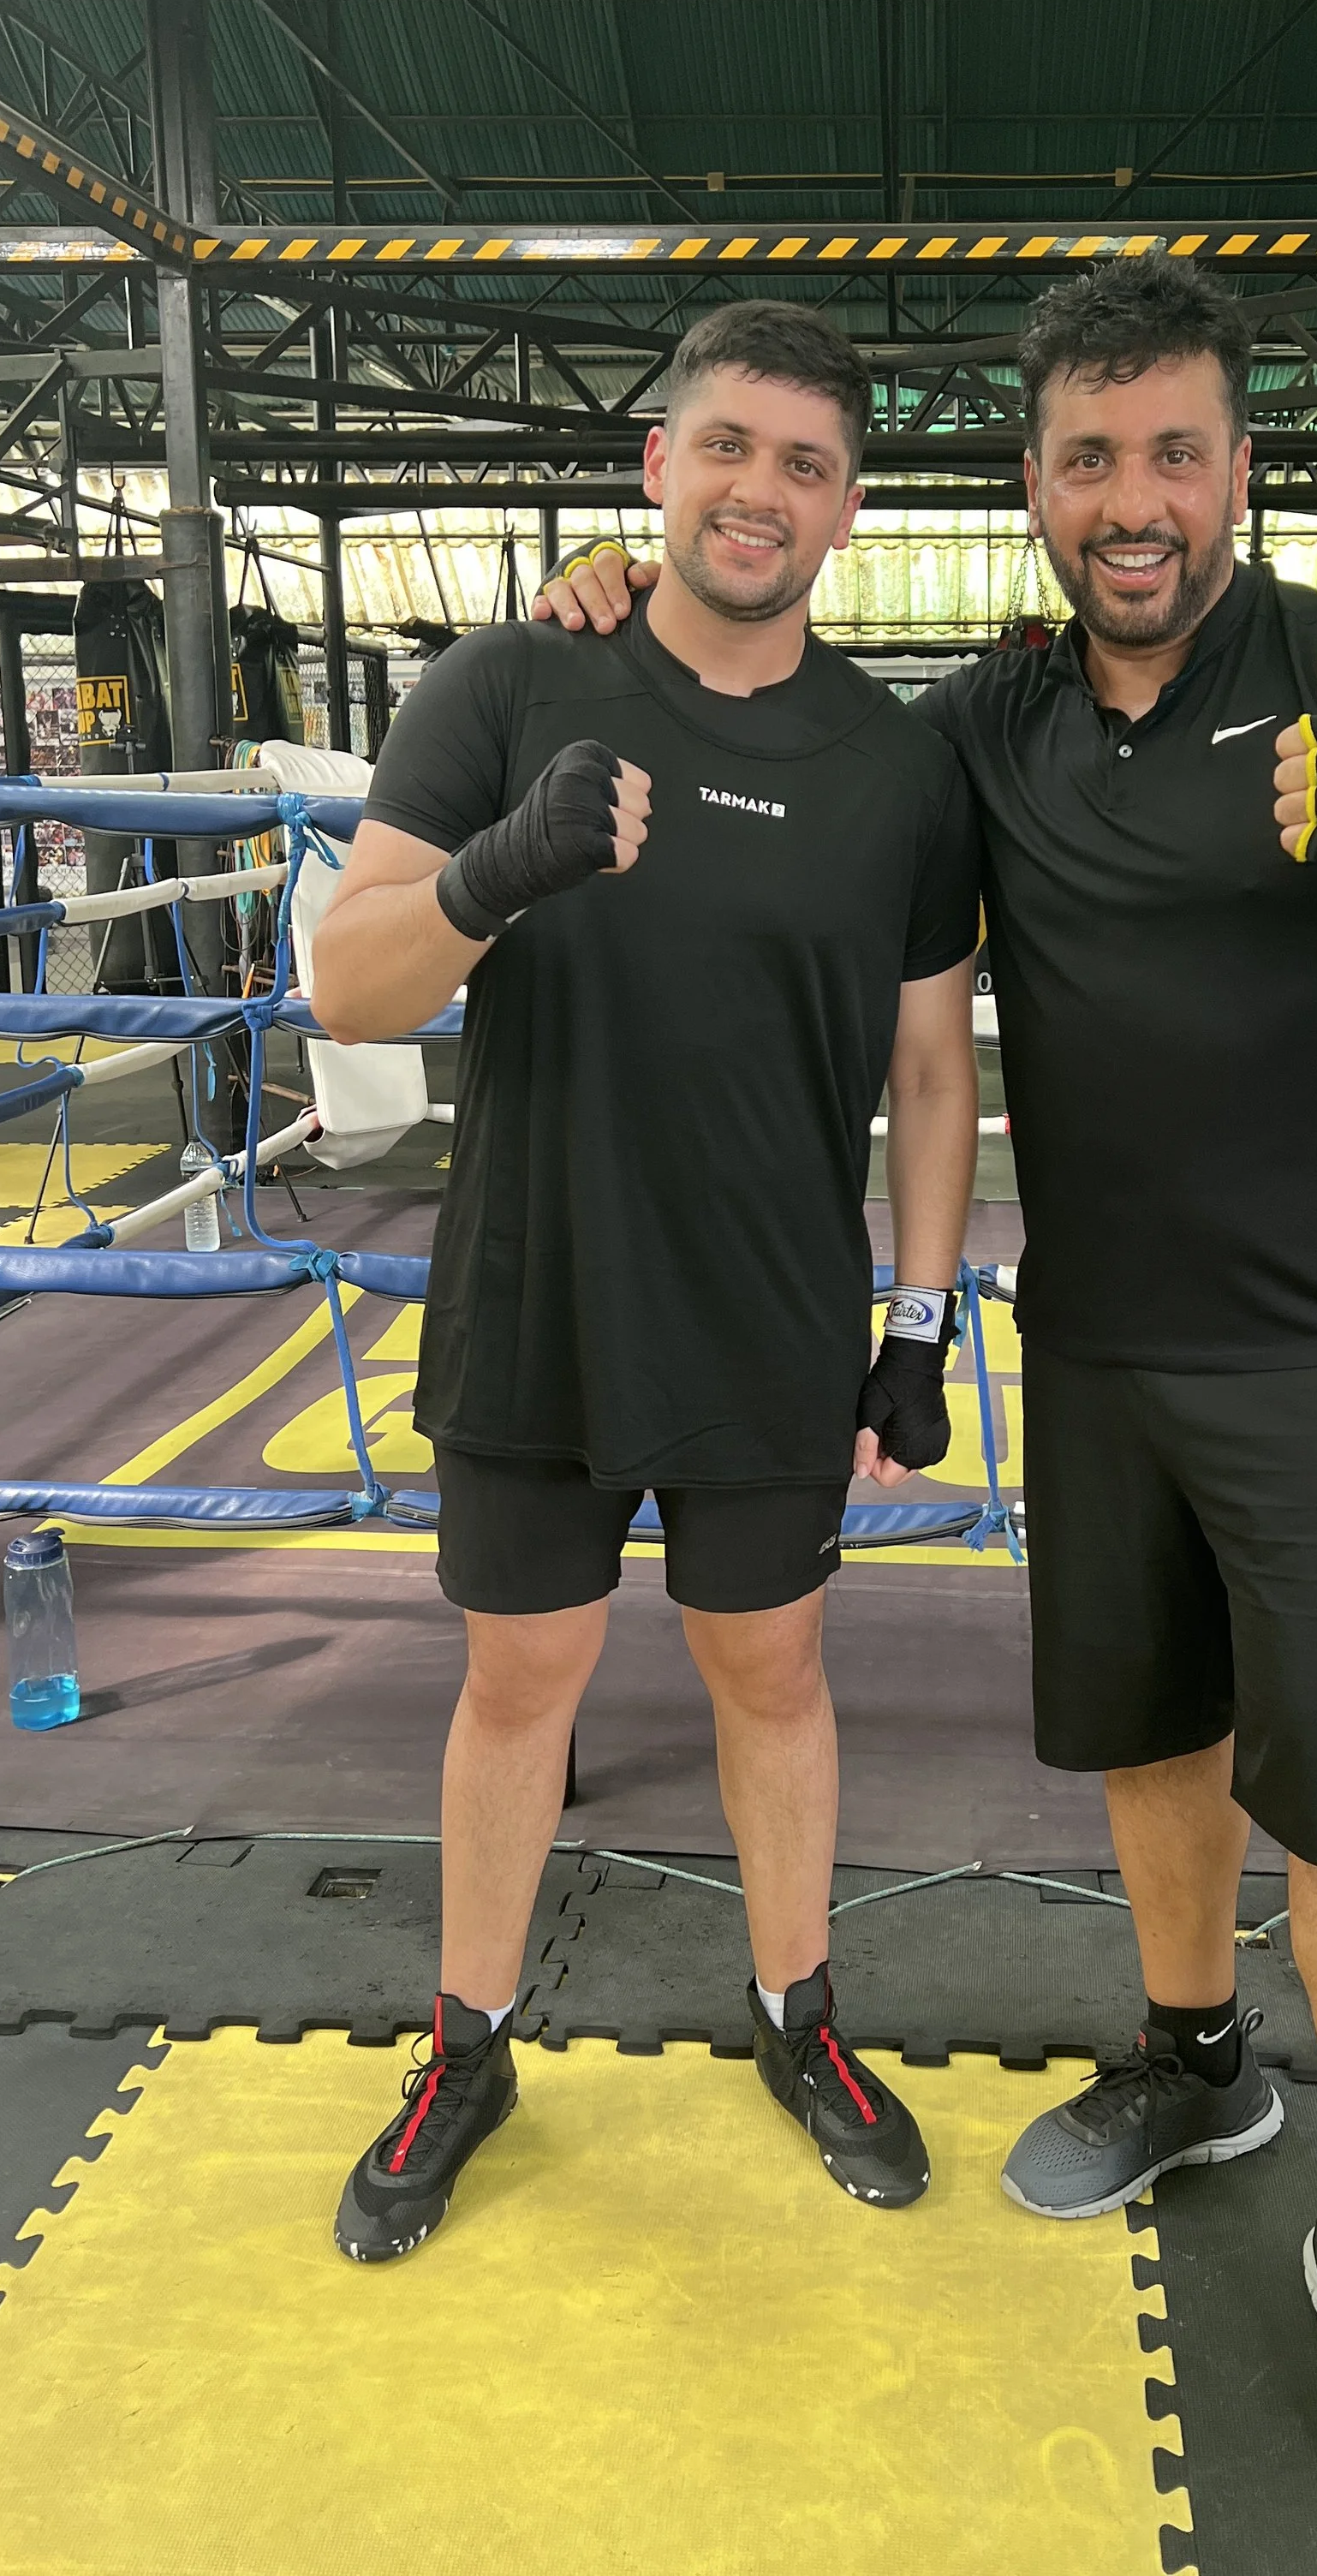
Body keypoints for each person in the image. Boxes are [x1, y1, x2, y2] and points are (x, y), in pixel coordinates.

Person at [538, 259, 1317, 2504]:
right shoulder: (989, 726)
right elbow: (784, 742)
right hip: (1101, 1333)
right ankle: (1196, 2055)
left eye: (1174, 454)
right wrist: (609, 611)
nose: (1134, 501)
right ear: (1031, 485)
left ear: (1238, 468)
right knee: (1151, 1735)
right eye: (1089, 458)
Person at [310, 300, 980, 2262]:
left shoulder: (894, 764)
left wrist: (921, 1323)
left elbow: (933, 1062)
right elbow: (344, 982)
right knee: (518, 1675)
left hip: (773, 1307)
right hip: (537, 1289)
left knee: (769, 1670)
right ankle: (468, 2034)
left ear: (847, 511)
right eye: (726, 447)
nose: (756, 490)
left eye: (802, 463)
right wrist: (489, 873)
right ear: (654, 466)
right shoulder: (510, 681)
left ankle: (797, 2013)